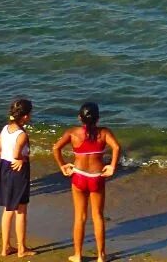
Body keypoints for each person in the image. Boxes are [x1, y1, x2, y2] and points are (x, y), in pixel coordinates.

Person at [53, 102, 121, 262]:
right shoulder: (104, 132)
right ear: (98, 118)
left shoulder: (73, 133)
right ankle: (101, 256)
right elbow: (116, 147)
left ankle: (77, 255)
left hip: (79, 176)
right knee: (97, 216)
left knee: (80, 217)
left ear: (79, 117)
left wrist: (63, 166)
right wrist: (112, 166)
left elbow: (56, 148)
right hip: (96, 177)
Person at [0, 98, 34, 258]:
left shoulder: (5, 129)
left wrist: (9, 157)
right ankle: (21, 248)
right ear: (24, 117)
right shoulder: (22, 134)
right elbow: (17, 154)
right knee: (21, 210)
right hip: (18, 171)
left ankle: (5, 247)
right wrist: (22, 159)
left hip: (4, 168)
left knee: (8, 209)